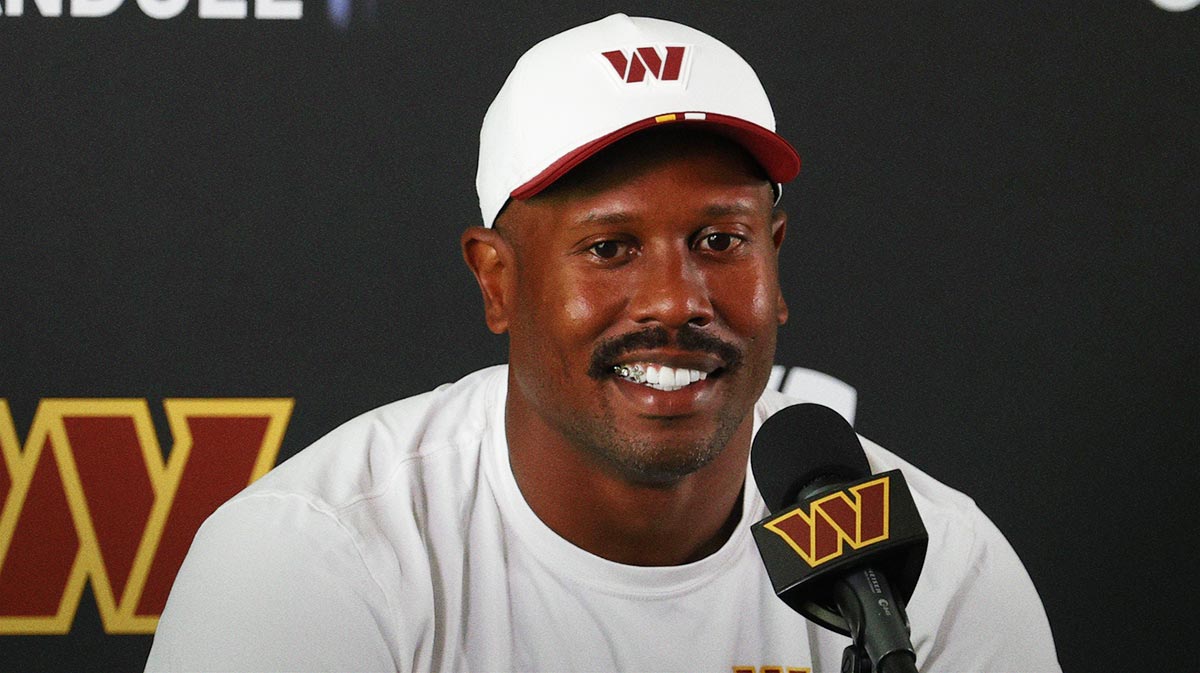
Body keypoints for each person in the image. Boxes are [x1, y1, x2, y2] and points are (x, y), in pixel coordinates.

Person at [146, 14, 1061, 673]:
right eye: (610, 247)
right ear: (495, 279)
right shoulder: (315, 561)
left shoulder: (927, 567)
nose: (676, 299)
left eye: (719, 241)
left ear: (774, 261)